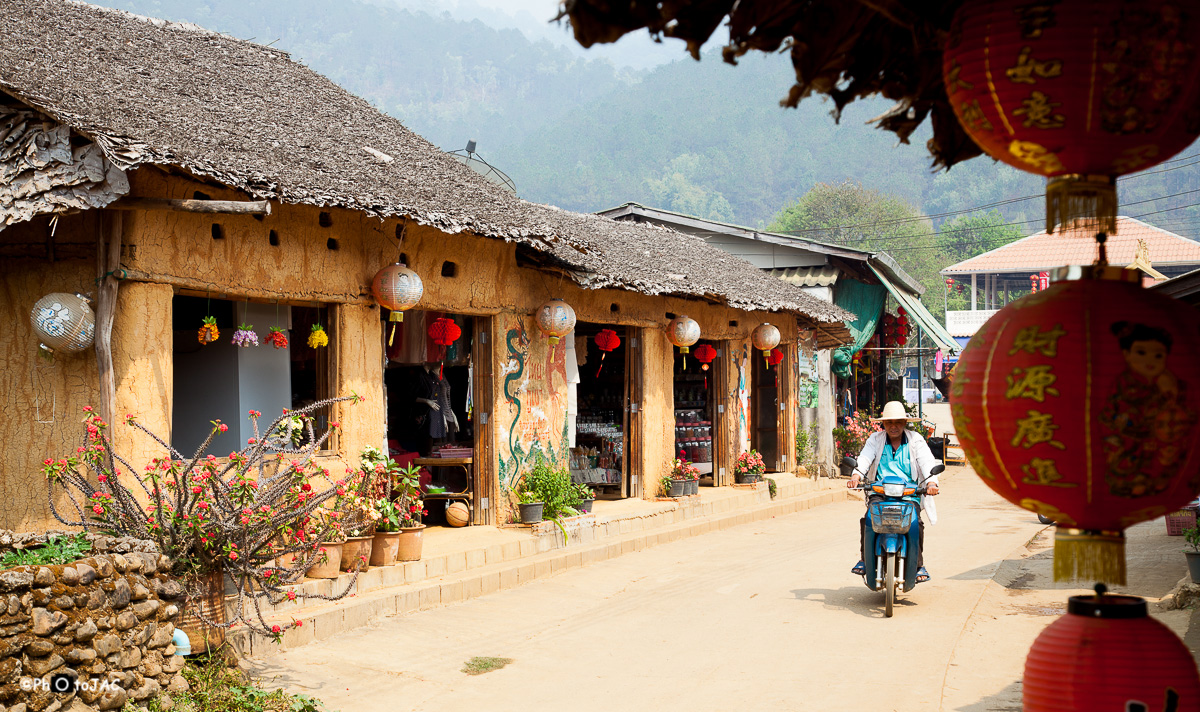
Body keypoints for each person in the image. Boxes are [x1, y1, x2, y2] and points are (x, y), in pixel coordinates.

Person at [846, 400, 941, 583]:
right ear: (884, 424)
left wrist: (931, 483)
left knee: (916, 524)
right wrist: (856, 477)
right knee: (868, 519)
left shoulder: (916, 440)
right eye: (889, 423)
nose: (894, 427)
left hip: (908, 493)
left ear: (905, 423)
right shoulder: (876, 439)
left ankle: (919, 564)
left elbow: (927, 462)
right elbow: (865, 458)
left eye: (898, 422)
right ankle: (865, 559)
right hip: (880, 491)